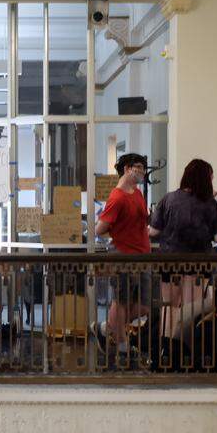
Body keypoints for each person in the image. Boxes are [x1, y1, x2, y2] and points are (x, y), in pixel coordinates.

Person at [148, 158, 217, 370]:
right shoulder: (211, 204)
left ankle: (165, 352)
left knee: (169, 307)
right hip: (198, 263)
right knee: (190, 309)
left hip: (169, 261)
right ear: (206, 178)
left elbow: (154, 231)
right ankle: (186, 353)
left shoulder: (169, 199)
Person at [92, 153, 151, 363]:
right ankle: (123, 345)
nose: (142, 172)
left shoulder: (137, 193)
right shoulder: (117, 197)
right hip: (124, 256)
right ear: (127, 169)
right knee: (122, 301)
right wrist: (118, 233)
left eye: (143, 168)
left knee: (146, 305)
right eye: (138, 167)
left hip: (143, 255)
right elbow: (99, 228)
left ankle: (105, 327)